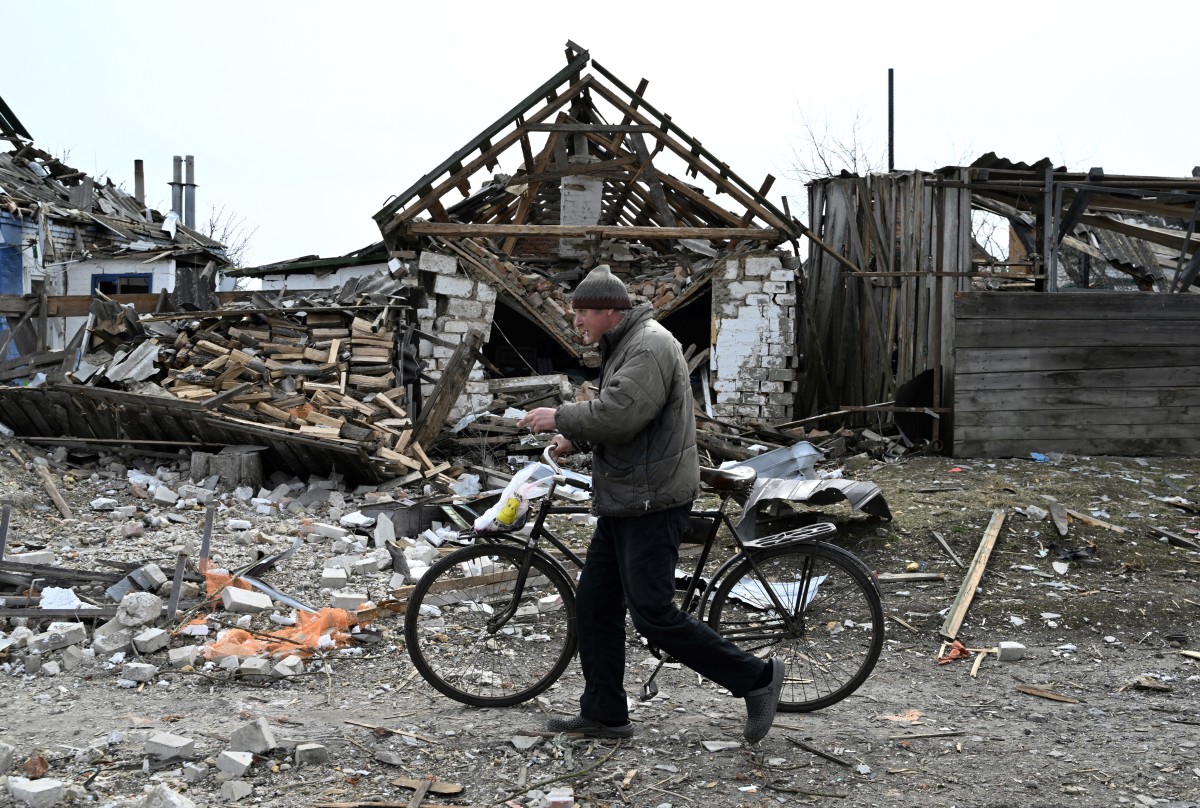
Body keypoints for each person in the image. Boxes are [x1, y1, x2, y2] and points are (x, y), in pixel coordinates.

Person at [517, 264, 784, 744]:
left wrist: (560, 416)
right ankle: (604, 714)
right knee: (595, 605)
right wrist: (575, 441)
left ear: (608, 311)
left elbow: (619, 415)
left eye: (581, 314)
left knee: (654, 616)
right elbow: (629, 418)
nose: (575, 322)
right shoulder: (626, 343)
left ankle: (758, 679)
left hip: (651, 500)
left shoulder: (647, 345)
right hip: (627, 497)